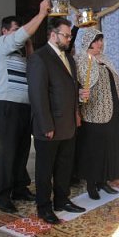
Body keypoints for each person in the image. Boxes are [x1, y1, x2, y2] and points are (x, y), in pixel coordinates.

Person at [0, 0, 51, 214]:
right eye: (15, 30)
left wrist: (29, 46)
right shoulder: (0, 45)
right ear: (4, 31)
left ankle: (19, 188)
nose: (19, 35)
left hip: (25, 107)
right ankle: (3, 195)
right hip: (8, 106)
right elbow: (20, 36)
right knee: (8, 151)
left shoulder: (20, 54)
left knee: (23, 150)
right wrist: (41, 13)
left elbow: (34, 63)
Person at [27, 17, 86, 225]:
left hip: (68, 123)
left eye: (70, 36)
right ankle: (44, 207)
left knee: (64, 166)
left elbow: (68, 88)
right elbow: (37, 95)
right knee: (45, 169)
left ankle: (61, 200)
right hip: (50, 126)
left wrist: (77, 110)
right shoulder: (39, 58)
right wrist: (46, 125)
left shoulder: (68, 59)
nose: (70, 39)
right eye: (66, 35)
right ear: (53, 35)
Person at [74, 28, 119, 200]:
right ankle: (91, 183)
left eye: (101, 40)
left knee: (107, 147)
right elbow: (80, 84)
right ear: (88, 42)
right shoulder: (81, 59)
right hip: (93, 112)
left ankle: (103, 181)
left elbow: (112, 81)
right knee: (93, 149)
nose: (100, 44)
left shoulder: (104, 58)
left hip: (111, 109)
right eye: (97, 40)